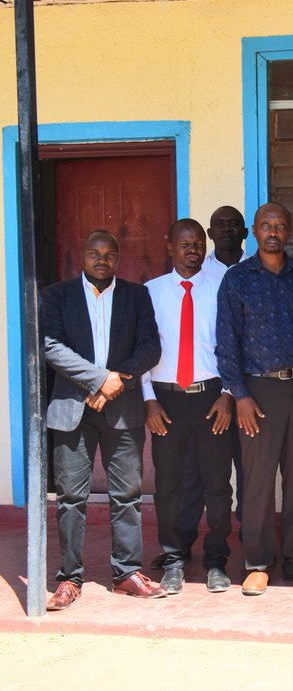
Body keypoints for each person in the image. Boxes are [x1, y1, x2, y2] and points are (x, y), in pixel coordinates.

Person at [43, 231, 165, 610]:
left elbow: (150, 347)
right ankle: (69, 577)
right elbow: (51, 347)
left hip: (122, 411)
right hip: (71, 411)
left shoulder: (136, 295)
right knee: (70, 498)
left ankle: (126, 573)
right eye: (95, 253)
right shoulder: (57, 295)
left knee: (127, 496)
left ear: (117, 258)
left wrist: (118, 381)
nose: (102, 260)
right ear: (81, 255)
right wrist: (100, 379)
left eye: (109, 254)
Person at [216, 202, 293, 595]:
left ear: (289, 230)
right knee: (258, 481)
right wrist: (238, 395)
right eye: (266, 225)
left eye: (280, 225)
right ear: (254, 232)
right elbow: (227, 343)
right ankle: (257, 562)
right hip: (256, 392)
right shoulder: (238, 279)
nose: (273, 231)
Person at [143, 219, 236, 594]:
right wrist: (148, 400)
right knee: (169, 485)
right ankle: (174, 558)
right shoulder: (150, 292)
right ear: (169, 247)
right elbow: (141, 352)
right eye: (184, 244)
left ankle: (216, 559)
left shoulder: (222, 287)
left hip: (212, 397)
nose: (193, 249)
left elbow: (233, 345)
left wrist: (228, 393)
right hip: (165, 400)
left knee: (216, 484)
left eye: (198, 243)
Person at [204, 205, 250, 277]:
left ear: (245, 233)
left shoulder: (257, 269)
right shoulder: (199, 269)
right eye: (220, 224)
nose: (227, 229)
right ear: (210, 233)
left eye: (234, 224)